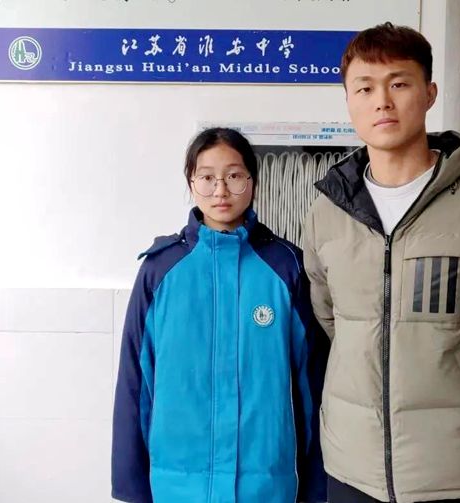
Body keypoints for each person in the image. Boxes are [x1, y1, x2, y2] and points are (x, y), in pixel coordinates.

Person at [302, 23, 460, 503]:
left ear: (429, 93)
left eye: (399, 83)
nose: (382, 102)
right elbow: (331, 319)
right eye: (365, 88)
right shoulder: (327, 213)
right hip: (352, 469)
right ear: (349, 101)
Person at [112, 127, 328, 503]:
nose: (221, 190)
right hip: (177, 486)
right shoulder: (160, 270)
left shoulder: (286, 267)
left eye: (234, 176)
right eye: (207, 177)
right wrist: (132, 487)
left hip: (265, 485)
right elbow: (135, 381)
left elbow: (313, 384)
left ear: (253, 181)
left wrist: (317, 485)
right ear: (191, 183)